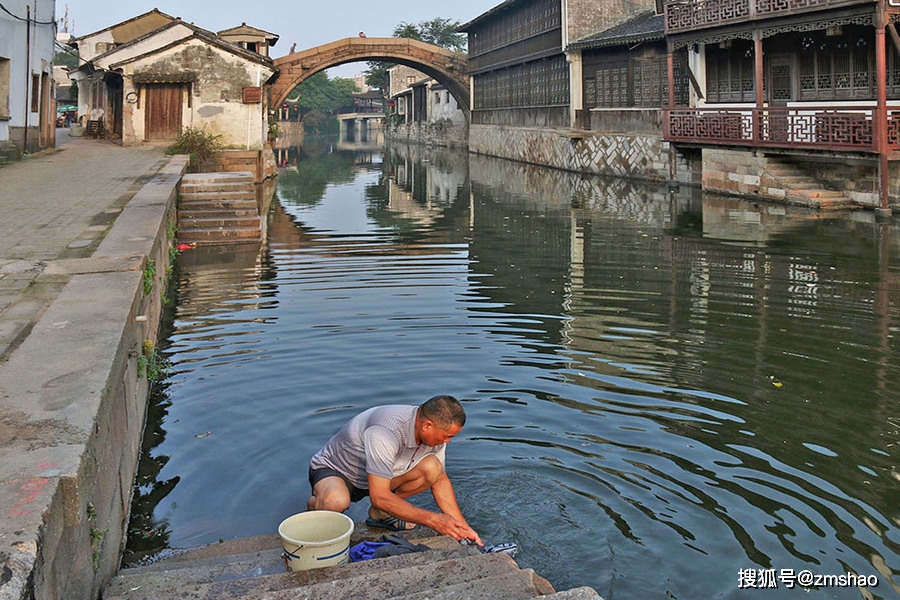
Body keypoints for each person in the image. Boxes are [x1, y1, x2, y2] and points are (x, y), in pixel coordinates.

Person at [307, 395, 482, 545]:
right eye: (447, 436)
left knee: (433, 469)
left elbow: (441, 481)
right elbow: (379, 495)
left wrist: (463, 529)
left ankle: (380, 513)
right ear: (427, 425)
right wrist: (434, 520)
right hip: (338, 471)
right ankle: (316, 507)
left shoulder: (434, 435)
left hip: (378, 477)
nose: (448, 441)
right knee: (335, 501)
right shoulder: (385, 430)